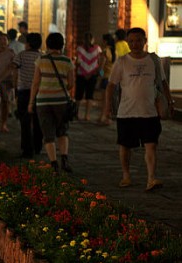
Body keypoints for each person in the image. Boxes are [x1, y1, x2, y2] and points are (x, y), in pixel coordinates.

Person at [103, 27, 175, 191]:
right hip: (127, 113)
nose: (135, 44)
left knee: (151, 145)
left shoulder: (153, 61)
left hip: (150, 112)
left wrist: (170, 102)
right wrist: (107, 108)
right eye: (132, 41)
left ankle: (151, 178)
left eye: (138, 40)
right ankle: (126, 175)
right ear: (128, 42)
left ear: (145, 41)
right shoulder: (121, 62)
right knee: (125, 146)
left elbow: (163, 83)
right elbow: (111, 86)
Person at [28, 32, 75, 173]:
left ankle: (53, 163)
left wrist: (31, 102)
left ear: (47, 45)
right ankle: (64, 159)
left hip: (43, 102)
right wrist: (59, 90)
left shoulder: (41, 61)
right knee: (62, 131)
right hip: (61, 101)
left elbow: (35, 83)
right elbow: (71, 84)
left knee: (48, 135)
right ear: (62, 45)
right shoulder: (67, 61)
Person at [12, 33, 43, 158]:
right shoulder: (42, 57)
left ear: (28, 44)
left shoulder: (21, 55)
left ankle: (26, 148)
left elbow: (13, 67)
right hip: (39, 92)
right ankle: (37, 146)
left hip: (24, 91)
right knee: (38, 120)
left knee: (24, 121)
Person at [75, 32, 102, 121]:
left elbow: (78, 62)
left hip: (81, 74)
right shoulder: (97, 49)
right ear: (92, 39)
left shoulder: (79, 49)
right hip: (92, 74)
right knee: (89, 96)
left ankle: (76, 114)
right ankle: (87, 116)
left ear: (84, 39)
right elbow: (99, 61)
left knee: (78, 96)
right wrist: (98, 73)